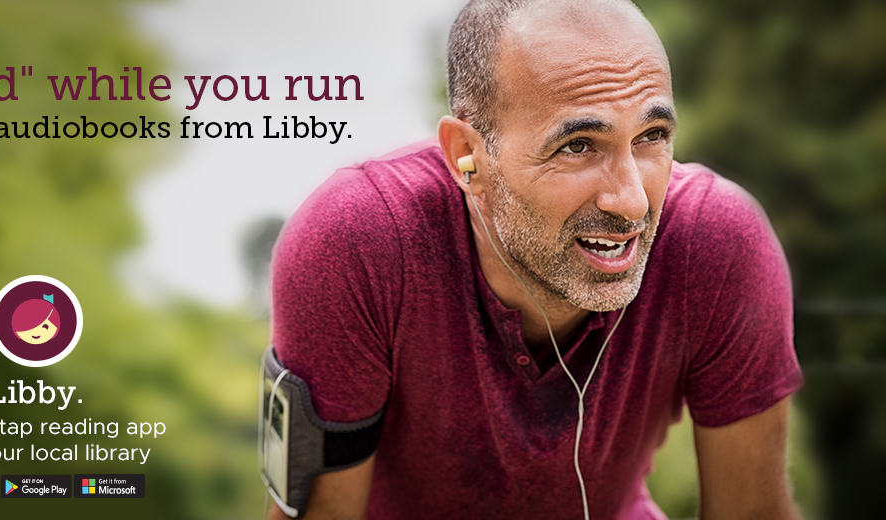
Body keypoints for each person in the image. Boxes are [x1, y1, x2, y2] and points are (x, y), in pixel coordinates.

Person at [268, 0, 803, 518]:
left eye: (652, 136)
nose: (633, 201)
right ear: (466, 156)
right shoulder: (357, 242)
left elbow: (754, 512)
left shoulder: (718, 242)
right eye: (577, 146)